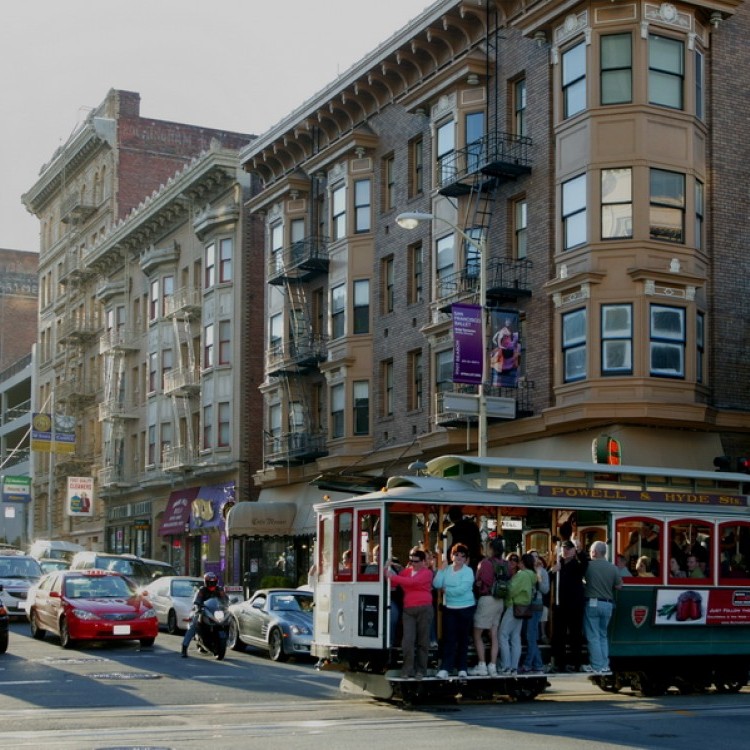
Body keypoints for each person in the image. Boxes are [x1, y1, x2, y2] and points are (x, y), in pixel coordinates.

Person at [387, 547, 434, 679]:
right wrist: (387, 567)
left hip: (424, 608)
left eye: (416, 561)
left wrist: (394, 577)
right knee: (407, 641)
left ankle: (421, 670)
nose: (413, 563)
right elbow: (396, 580)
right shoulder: (407, 572)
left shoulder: (427, 573)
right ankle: (408, 669)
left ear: (423, 561)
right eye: (411, 560)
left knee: (422, 641)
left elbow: (412, 582)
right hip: (409, 609)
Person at [434, 543, 476, 679]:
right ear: (451, 556)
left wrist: (447, 590)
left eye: (462, 556)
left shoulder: (468, 571)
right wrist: (440, 570)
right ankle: (446, 667)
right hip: (450, 608)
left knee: (463, 639)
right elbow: (436, 584)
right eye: (456, 554)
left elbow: (463, 589)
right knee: (450, 639)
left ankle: (462, 668)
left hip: (466, 608)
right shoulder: (446, 570)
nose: (459, 558)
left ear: (465, 559)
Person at [469, 537, 509, 676]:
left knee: (477, 633)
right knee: (494, 634)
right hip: (500, 600)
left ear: (490, 549)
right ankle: (492, 665)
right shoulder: (505, 563)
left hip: (487, 599)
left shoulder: (485, 563)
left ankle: (482, 664)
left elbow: (480, 581)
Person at [582, 541, 623, 674]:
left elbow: (582, 579)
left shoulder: (589, 566)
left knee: (593, 636)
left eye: (590, 551)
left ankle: (596, 666)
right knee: (603, 636)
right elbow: (619, 586)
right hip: (608, 604)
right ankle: (605, 665)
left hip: (593, 603)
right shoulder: (613, 567)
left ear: (595, 552)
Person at [549, 540, 587, 673]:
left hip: (574, 606)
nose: (565, 550)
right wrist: (552, 571)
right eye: (564, 548)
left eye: (569, 548)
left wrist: (580, 551)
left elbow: (585, 565)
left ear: (573, 551)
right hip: (560, 605)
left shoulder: (577, 564)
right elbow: (547, 580)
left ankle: (576, 663)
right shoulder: (558, 564)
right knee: (559, 635)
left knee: (575, 635)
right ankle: (560, 663)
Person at [498, 553, 537, 675]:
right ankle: (514, 667)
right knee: (515, 637)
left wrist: (504, 597)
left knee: (502, 635)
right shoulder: (532, 575)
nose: (518, 563)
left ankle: (506, 666)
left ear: (523, 563)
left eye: (519, 561)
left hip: (514, 606)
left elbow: (511, 590)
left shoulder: (522, 575)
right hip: (524, 607)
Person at [181, 572, 228, 657]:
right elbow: (197, 600)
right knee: (193, 625)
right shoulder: (202, 590)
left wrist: (228, 604)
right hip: (203, 610)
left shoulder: (219, 590)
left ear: (216, 582)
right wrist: (197, 606)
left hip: (216, 612)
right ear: (205, 582)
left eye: (213, 582)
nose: (211, 584)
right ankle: (184, 648)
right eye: (209, 582)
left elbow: (225, 599)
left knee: (228, 619)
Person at [520, 551, 550, 673]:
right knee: (530, 635)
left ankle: (528, 664)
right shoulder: (524, 571)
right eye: (532, 556)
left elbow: (545, 590)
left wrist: (538, 576)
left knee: (531, 635)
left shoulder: (542, 572)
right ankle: (538, 664)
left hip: (536, 604)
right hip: (525, 605)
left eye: (537, 556)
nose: (535, 558)